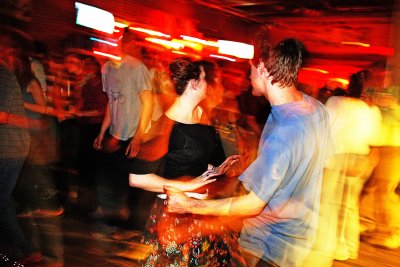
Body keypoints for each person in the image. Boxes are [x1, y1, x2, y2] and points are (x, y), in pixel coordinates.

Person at [165, 38, 333, 267]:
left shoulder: (285, 131)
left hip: (269, 248)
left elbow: (254, 204)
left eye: (251, 69)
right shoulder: (317, 109)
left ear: (263, 69)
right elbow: (319, 169)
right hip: (301, 240)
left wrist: (189, 206)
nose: (247, 75)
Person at [128, 58, 244, 266]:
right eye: (204, 79)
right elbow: (136, 178)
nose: (208, 84)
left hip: (200, 209)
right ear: (194, 83)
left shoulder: (201, 114)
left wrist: (216, 170)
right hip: (177, 214)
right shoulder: (166, 126)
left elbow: (196, 160)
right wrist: (189, 185)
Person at [92, 28, 153, 226]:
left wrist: (138, 137)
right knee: (113, 178)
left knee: (131, 182)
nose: (102, 47)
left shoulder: (136, 68)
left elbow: (148, 103)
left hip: (133, 134)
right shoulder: (106, 69)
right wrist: (102, 132)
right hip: (115, 133)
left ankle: (132, 223)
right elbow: (111, 102)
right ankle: (117, 217)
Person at [0, 32, 41, 265]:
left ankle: (27, 251)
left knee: (1, 202)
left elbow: (3, 116)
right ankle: (26, 251)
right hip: (7, 147)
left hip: (10, 149)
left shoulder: (3, 74)